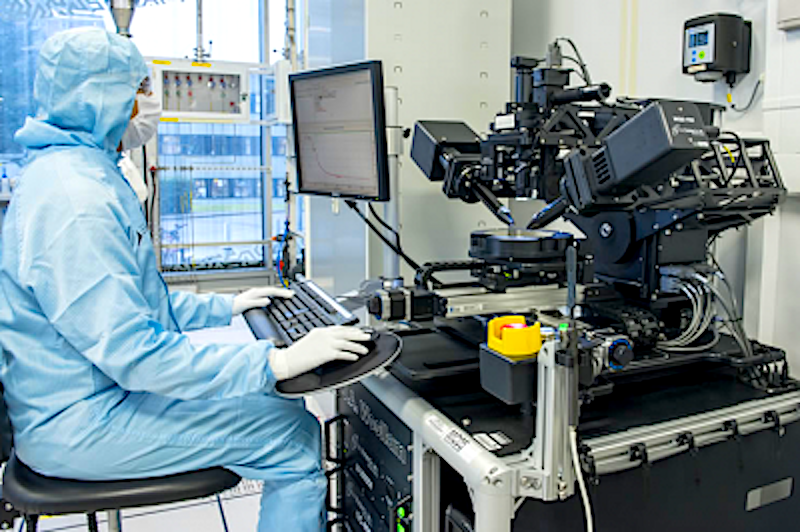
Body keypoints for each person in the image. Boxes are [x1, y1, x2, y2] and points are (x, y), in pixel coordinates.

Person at [0, 27, 370, 532]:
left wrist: (230, 306)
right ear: (104, 97)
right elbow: (136, 355)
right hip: (81, 423)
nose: (150, 102)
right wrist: (275, 359)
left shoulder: (77, 172)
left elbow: (134, 305)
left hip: (87, 396)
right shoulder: (75, 202)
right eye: (142, 89)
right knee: (289, 434)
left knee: (263, 399)